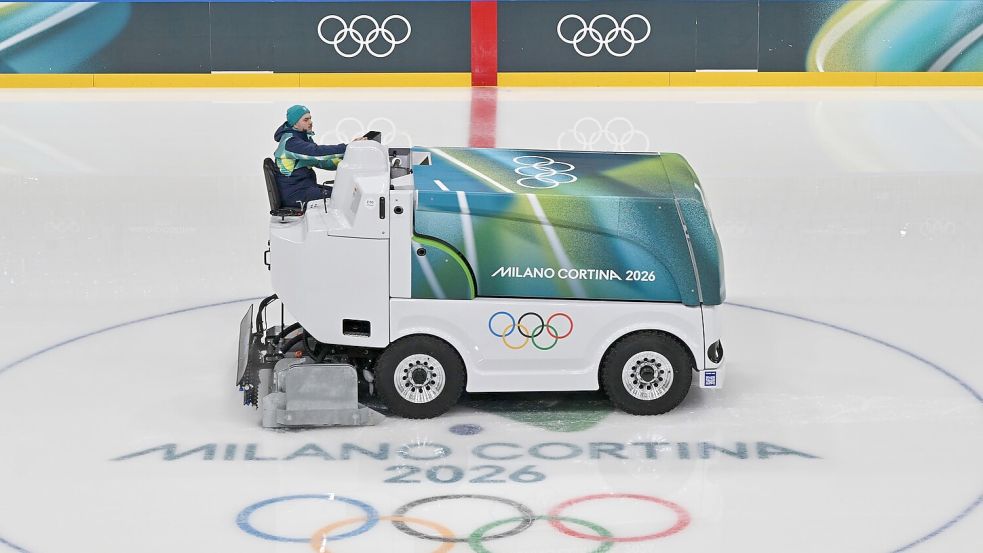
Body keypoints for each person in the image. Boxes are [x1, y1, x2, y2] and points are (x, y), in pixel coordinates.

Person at [273, 104, 362, 208]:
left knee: (344, 193)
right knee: (342, 197)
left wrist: (346, 159)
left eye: (310, 118)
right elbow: (317, 153)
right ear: (295, 124)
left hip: (304, 188)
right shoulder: (291, 142)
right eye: (306, 120)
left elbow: (321, 162)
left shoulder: (302, 138)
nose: (310, 122)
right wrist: (348, 148)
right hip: (294, 194)